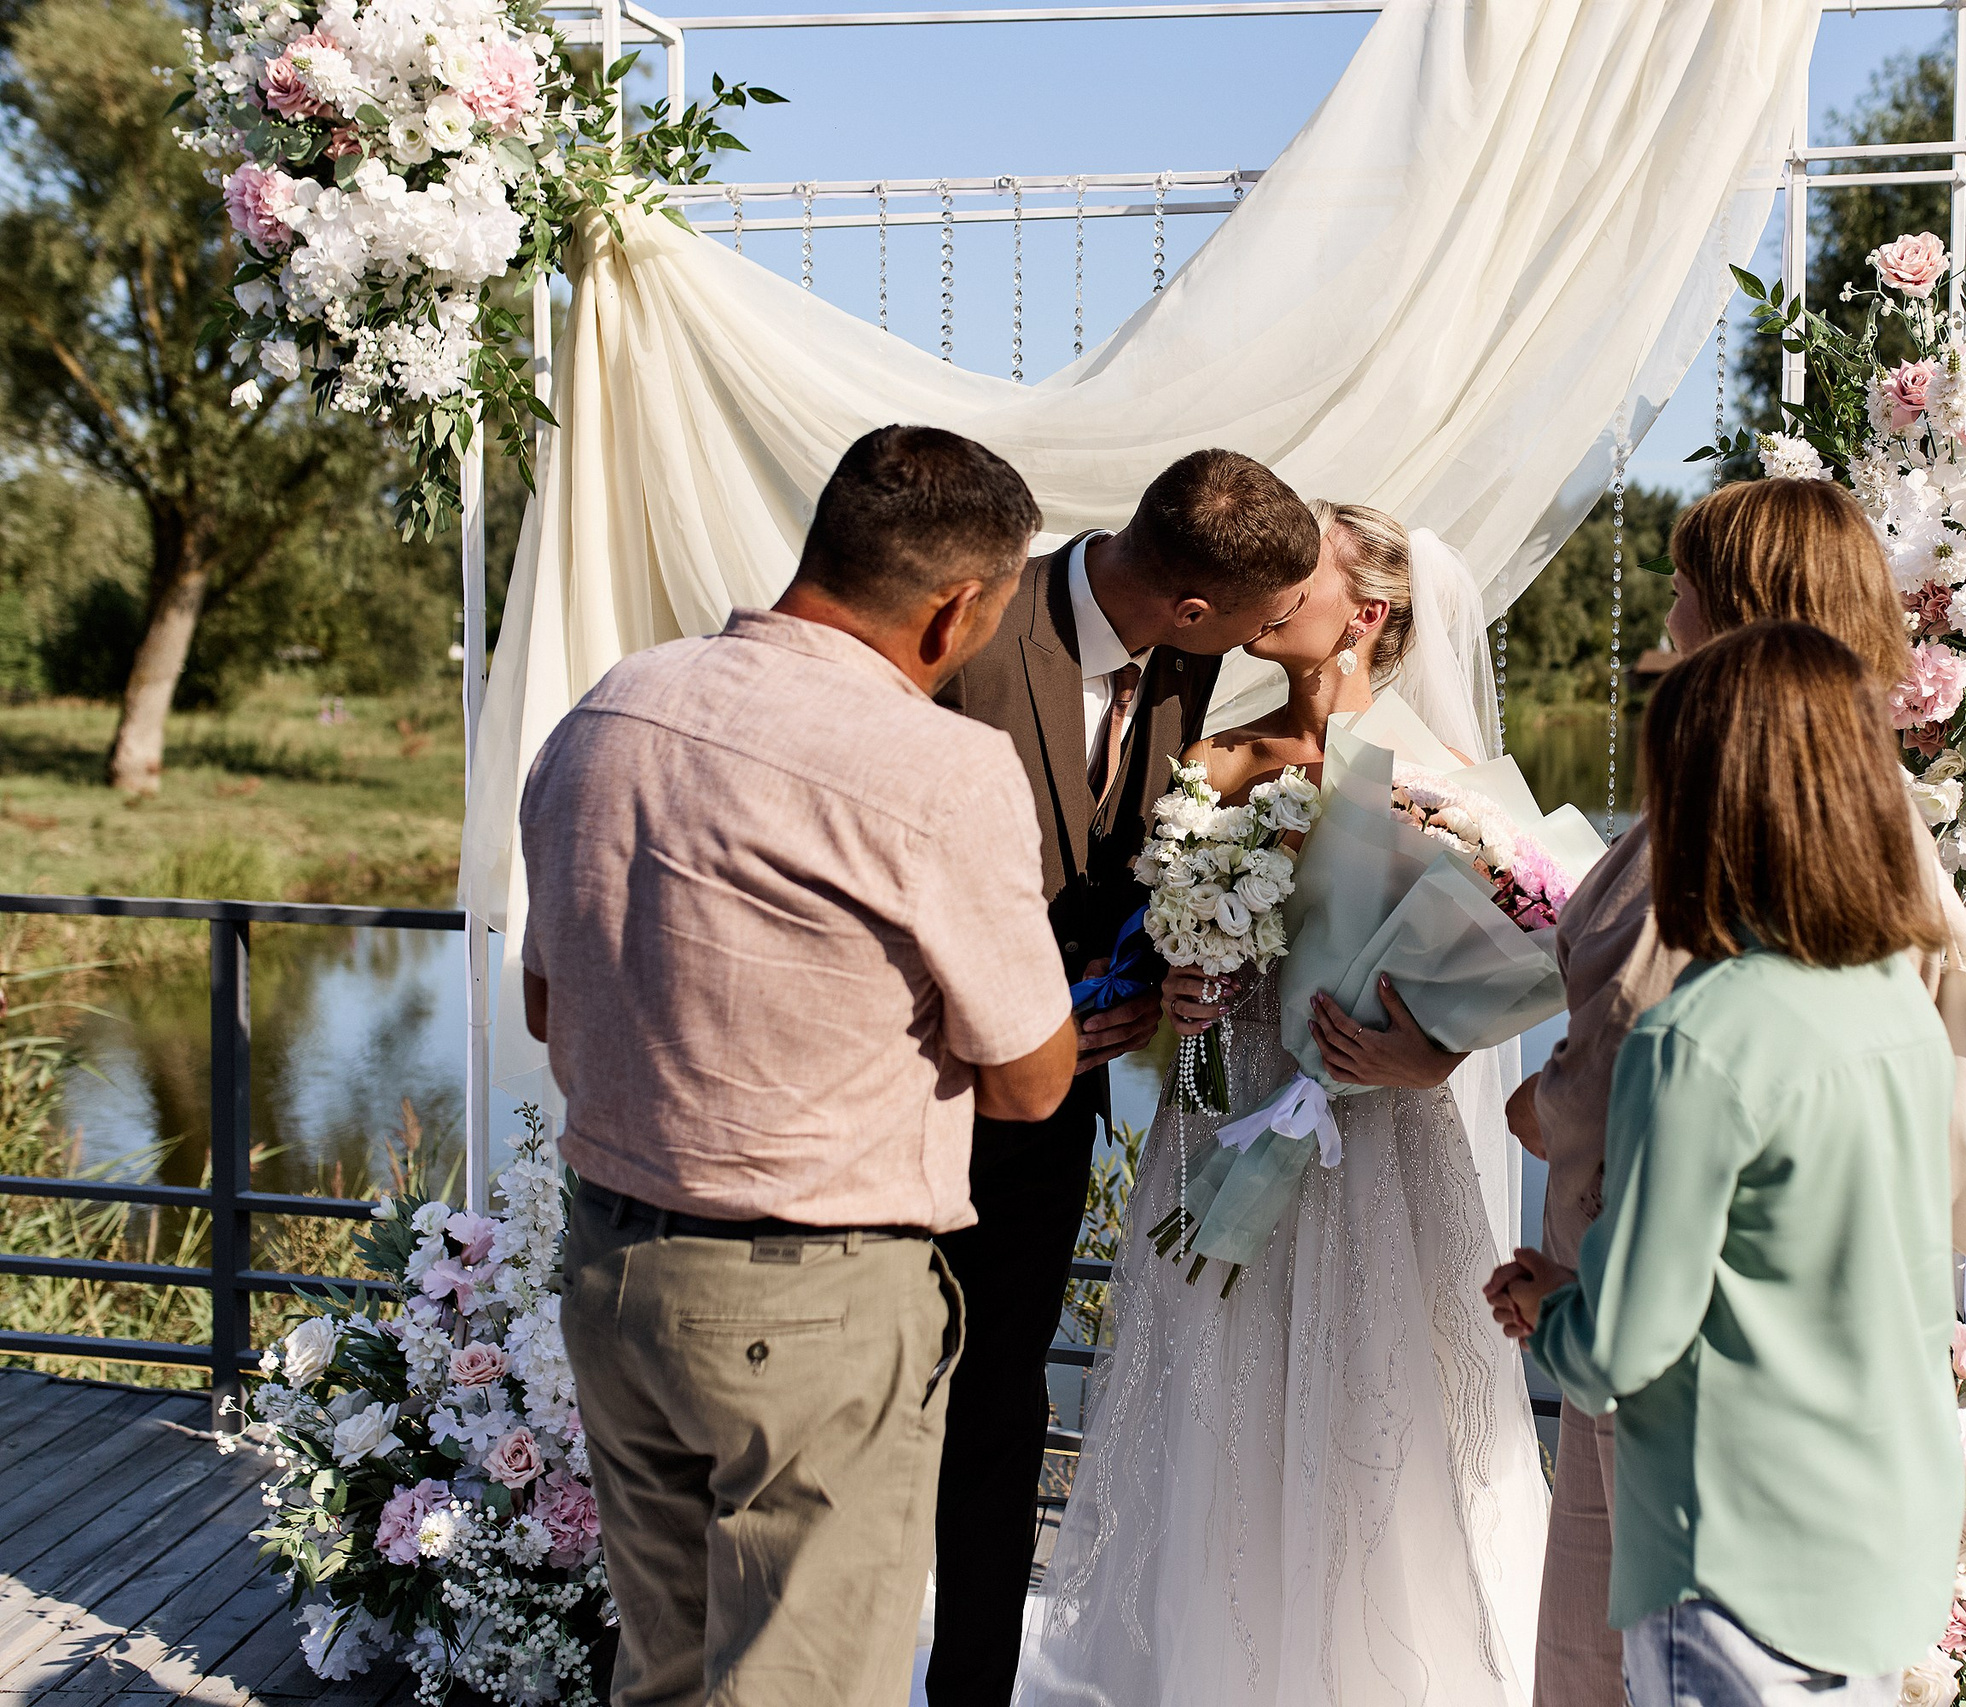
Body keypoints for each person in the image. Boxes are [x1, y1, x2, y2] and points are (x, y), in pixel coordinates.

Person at [520, 425, 1079, 1707]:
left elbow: (554, 1008)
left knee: (661, 1670)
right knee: (808, 1686)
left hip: (614, 1270)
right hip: (809, 1302)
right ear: (956, 609)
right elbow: (1034, 1081)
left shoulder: (604, 713)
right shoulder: (937, 767)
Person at [1015, 503, 1549, 1707]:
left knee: (1371, 1398)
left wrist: (1427, 1061)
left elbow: (1482, 977)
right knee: (1220, 1392)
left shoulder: (1442, 793)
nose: (1268, 593)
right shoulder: (1214, 761)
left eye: (1297, 577)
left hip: (1368, 1132)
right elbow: (1155, 952)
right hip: (1220, 1113)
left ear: (1364, 616)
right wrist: (1181, 992)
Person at [1505, 476, 1956, 1705]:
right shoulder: (1886, 1006)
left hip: (1731, 1538)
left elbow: (1621, 1350)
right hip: (1874, 1529)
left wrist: (1544, 1306)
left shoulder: (1700, 1040)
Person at [929, 448, 1321, 1707]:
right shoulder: (970, 637)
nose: (1275, 639)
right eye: (1262, 621)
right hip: (919, 1099)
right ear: (1194, 611)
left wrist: (1156, 970)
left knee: (1000, 1409)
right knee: (885, 1417)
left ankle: (970, 1691)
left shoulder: (1188, 660)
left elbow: (1128, 857)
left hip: (1056, 1116)